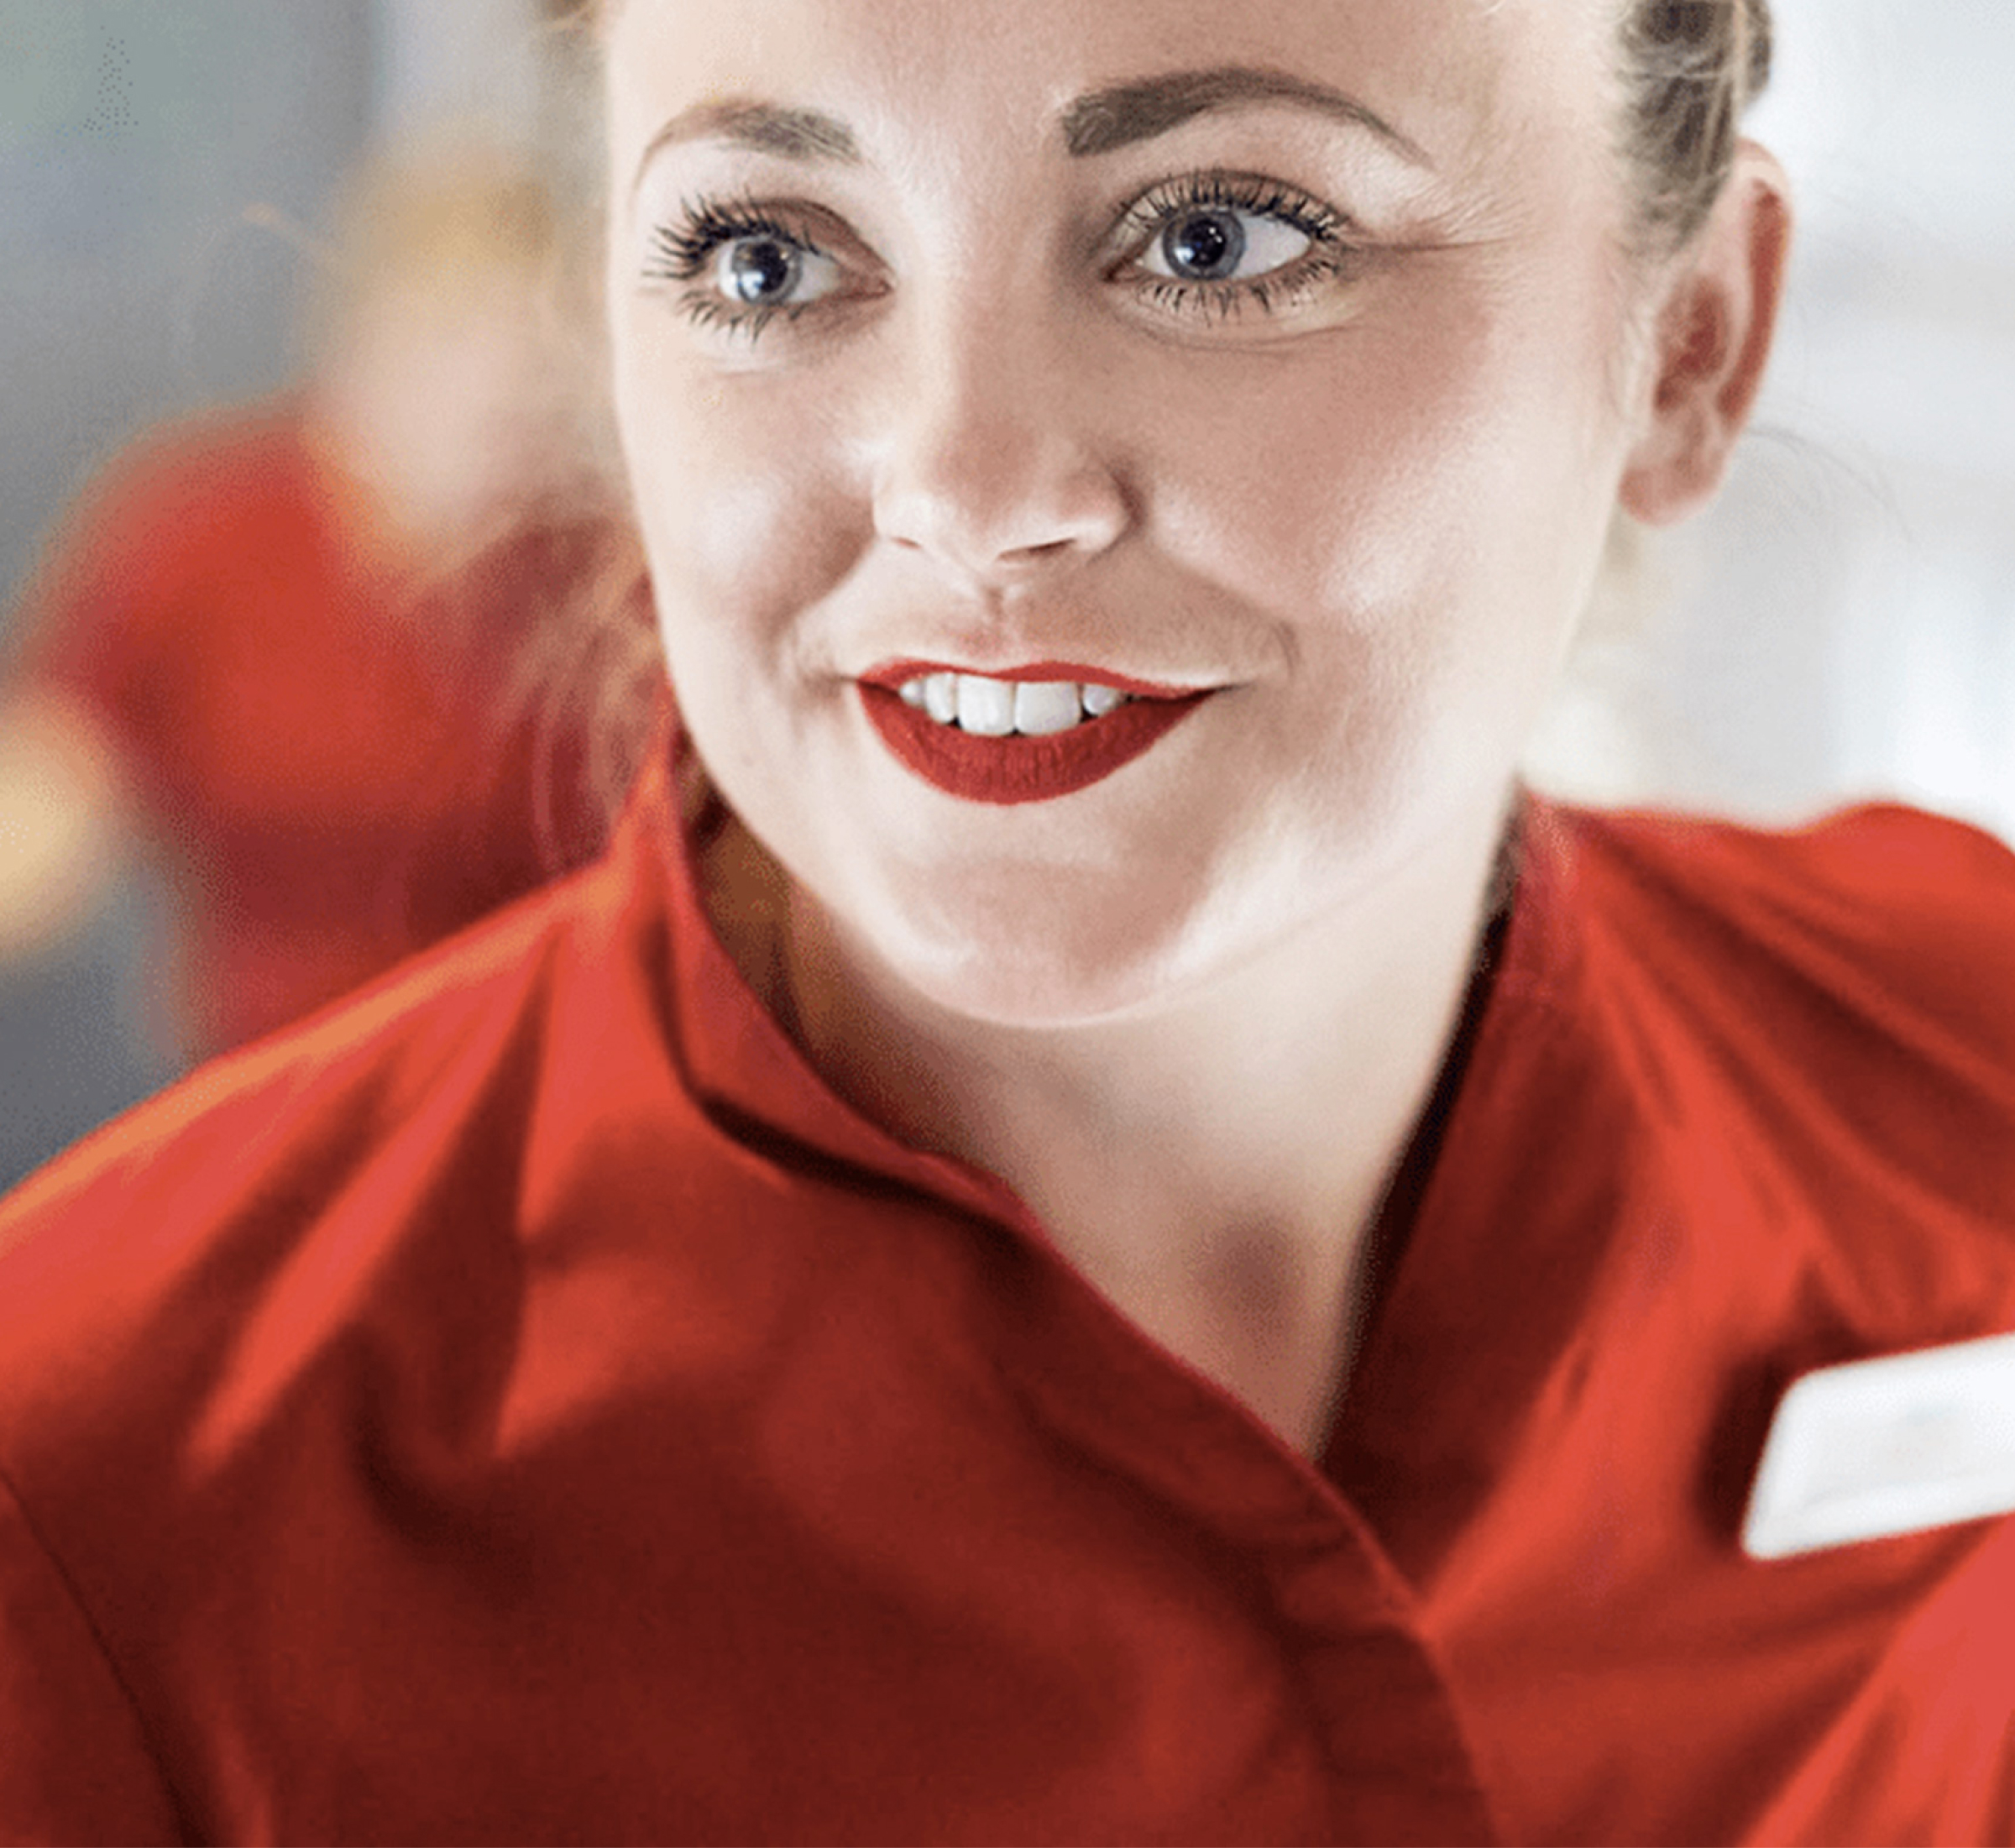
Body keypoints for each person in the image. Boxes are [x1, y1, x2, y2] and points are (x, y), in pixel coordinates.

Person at [3, 0, 2013, 1840]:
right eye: (762, 257)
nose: (963, 493)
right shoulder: (97, 1493)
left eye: (1217, 237)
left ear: (1681, 348)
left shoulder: (1958, 1056)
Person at [0, 139, 640, 1064]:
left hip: (531, 1091)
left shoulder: (612, 580)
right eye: (458, 341)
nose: (511, 388)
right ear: (364, 344)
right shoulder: (200, 534)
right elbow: (48, 817)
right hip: (262, 1089)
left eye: (547, 352)